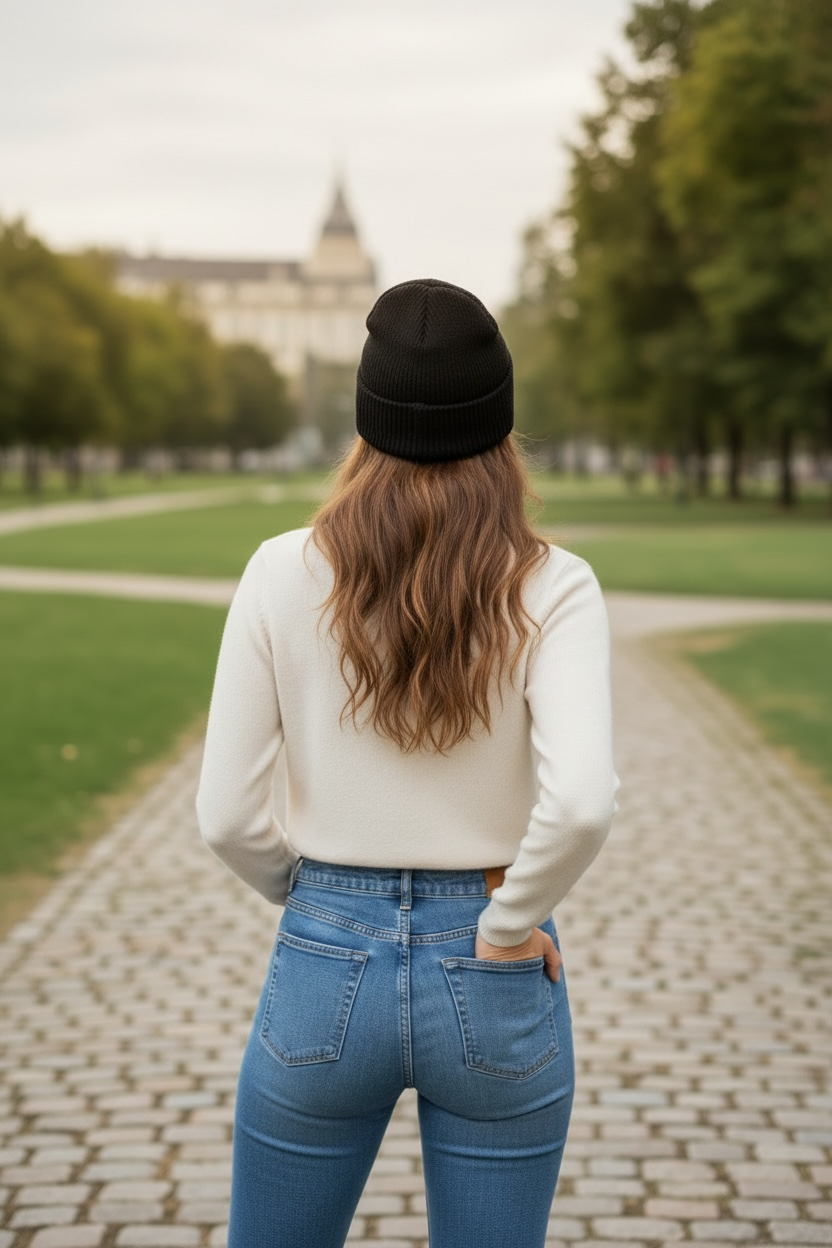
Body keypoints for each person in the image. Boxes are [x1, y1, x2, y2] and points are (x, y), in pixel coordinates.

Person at [196, 277, 619, 1248]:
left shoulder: (276, 571)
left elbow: (223, 815)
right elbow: (583, 803)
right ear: (499, 424)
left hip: (323, 949)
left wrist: (315, 899)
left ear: (365, 417)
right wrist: (509, 924)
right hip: (493, 959)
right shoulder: (554, 585)